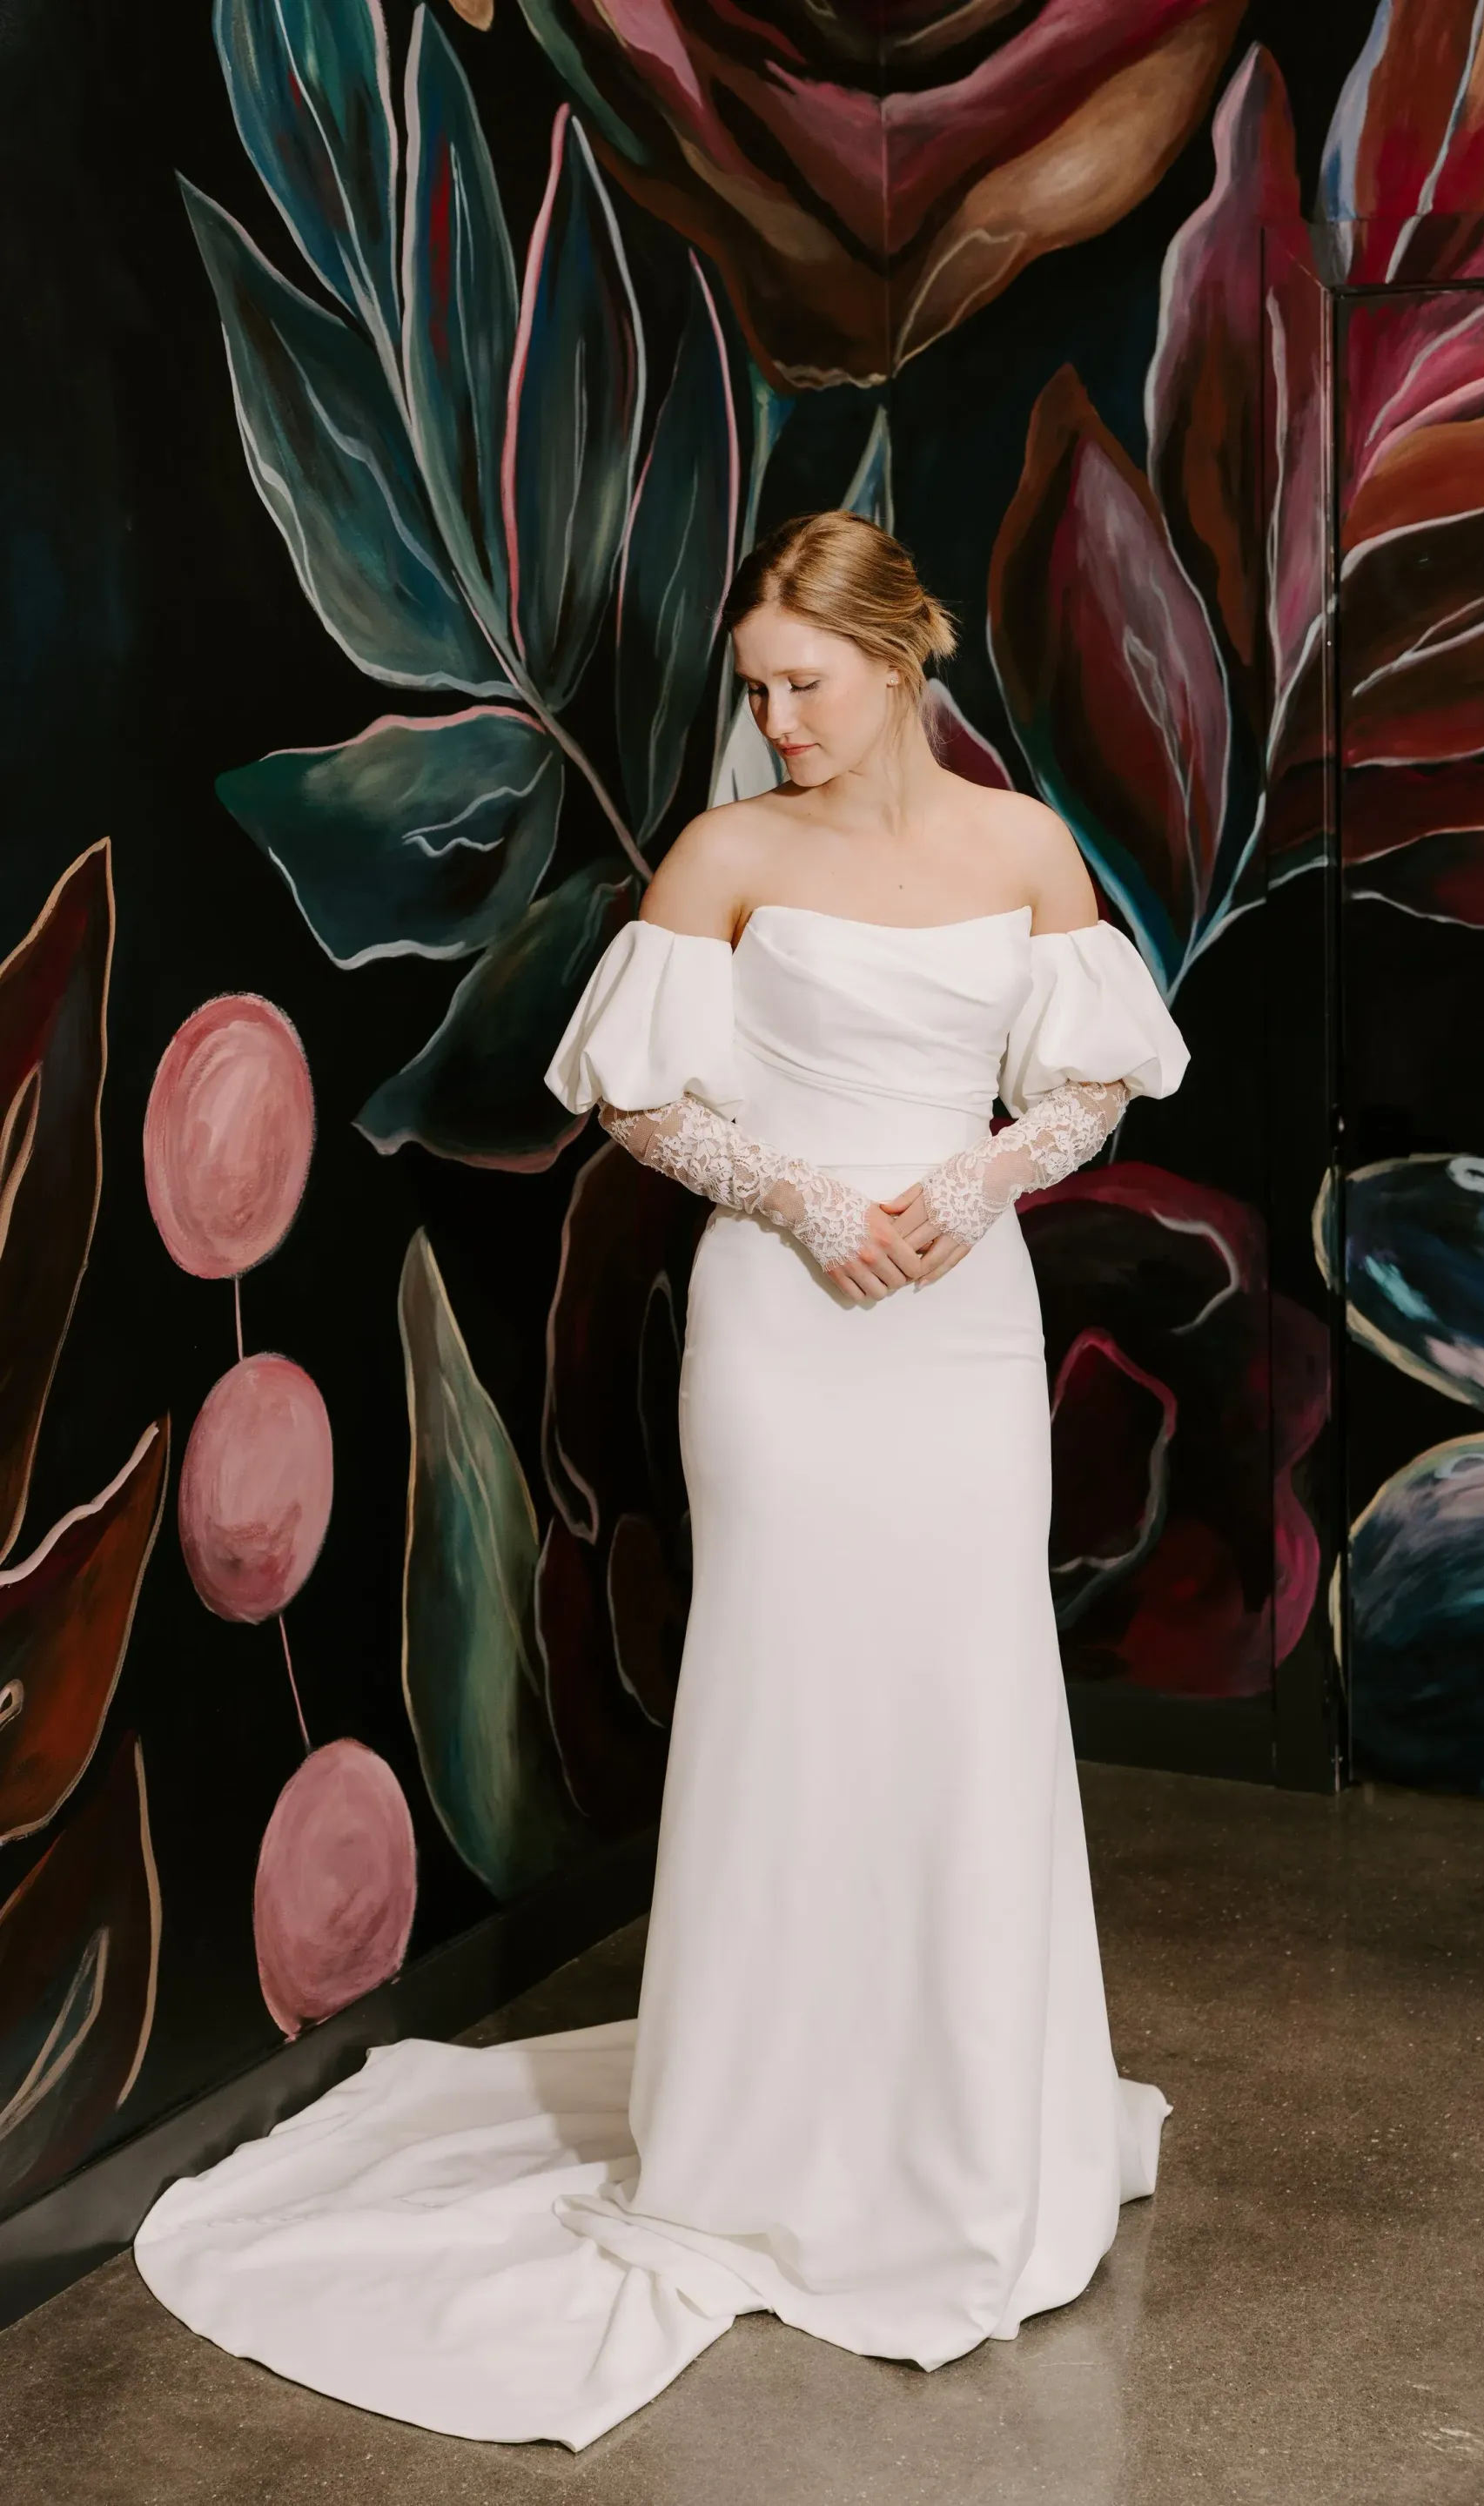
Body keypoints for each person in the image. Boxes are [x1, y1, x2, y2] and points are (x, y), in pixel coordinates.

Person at [132, 511, 1190, 2450]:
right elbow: (633, 1092)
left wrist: (967, 1183)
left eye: (804, 683)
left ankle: (966, 2124)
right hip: (785, 1332)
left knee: (964, 1698)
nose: (773, 718)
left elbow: (1094, 1075)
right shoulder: (724, 854)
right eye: (756, 690)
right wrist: (798, 1197)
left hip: (955, 1332)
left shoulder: (1019, 848)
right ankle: (766, 2128)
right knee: (786, 1694)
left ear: (899, 661)